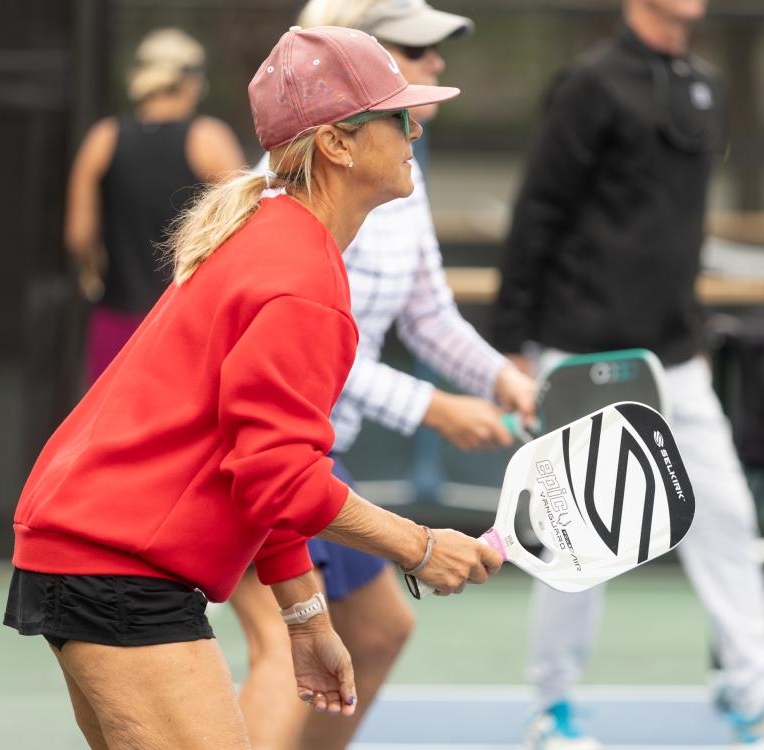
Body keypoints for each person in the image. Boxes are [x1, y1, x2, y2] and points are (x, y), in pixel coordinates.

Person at [4, 26, 502, 750]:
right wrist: (419, 546)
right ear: (336, 144)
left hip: (89, 550)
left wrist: (307, 619)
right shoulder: (300, 277)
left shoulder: (276, 237)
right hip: (116, 564)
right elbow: (279, 479)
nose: (413, 129)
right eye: (397, 115)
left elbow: (261, 467)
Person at [492, 1, 764, 748]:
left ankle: (757, 701)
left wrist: (688, 334)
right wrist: (511, 342)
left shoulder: (705, 88)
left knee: (725, 514)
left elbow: (673, 229)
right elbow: (537, 211)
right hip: (583, 351)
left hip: (675, 356)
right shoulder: (589, 87)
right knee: (580, 540)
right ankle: (552, 711)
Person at [230, 4, 537, 749]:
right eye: (415, 50)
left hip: (313, 457)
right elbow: (310, 360)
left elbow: (427, 314)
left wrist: (504, 380)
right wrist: (431, 408)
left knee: (379, 631)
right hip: (260, 462)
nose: (435, 67)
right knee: (285, 645)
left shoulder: (398, 177)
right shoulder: (289, 213)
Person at [64, 28, 244, 384]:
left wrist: (93, 274)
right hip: (188, 323)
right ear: (191, 81)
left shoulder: (103, 139)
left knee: (110, 432)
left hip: (116, 319)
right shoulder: (209, 139)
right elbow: (243, 230)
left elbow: (79, 235)